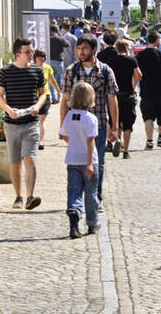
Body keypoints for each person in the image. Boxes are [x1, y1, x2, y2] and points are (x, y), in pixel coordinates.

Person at [61, 33, 119, 208]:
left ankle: (95, 198)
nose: (81, 51)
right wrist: (63, 126)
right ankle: (76, 199)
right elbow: (65, 100)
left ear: (94, 49)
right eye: (78, 48)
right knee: (75, 163)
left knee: (97, 162)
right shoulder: (72, 71)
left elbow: (112, 99)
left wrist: (115, 126)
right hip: (76, 126)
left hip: (99, 124)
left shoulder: (105, 70)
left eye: (84, 48)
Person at [0, 38, 47, 210]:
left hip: (31, 122)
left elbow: (43, 94)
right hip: (12, 123)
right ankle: (18, 196)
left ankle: (30, 197)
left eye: (32, 51)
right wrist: (8, 109)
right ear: (18, 54)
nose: (32, 55)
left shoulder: (37, 72)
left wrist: (38, 107)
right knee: (15, 162)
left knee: (30, 158)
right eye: (28, 52)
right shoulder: (6, 72)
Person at [59, 82, 100, 239]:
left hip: (72, 160)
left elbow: (63, 136)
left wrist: (74, 143)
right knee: (91, 193)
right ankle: (92, 223)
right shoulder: (90, 119)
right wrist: (89, 163)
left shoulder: (69, 116)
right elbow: (90, 142)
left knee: (74, 191)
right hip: (89, 161)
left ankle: (74, 217)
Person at [107, 40, 142, 159]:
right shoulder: (132, 60)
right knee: (128, 124)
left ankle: (117, 139)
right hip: (127, 94)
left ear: (116, 49)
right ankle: (126, 151)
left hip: (114, 96)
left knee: (114, 121)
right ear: (127, 48)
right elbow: (139, 76)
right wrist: (133, 85)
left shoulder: (111, 61)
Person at [33, 49, 60, 150]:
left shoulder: (47, 68)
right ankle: (34, 140)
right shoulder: (30, 68)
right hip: (32, 97)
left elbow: (52, 80)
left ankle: (41, 142)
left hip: (45, 96)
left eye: (43, 56)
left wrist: (58, 91)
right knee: (34, 120)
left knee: (41, 120)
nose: (42, 59)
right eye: (40, 56)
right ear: (35, 58)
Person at [49, 24, 70, 101]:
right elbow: (68, 45)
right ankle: (59, 96)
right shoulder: (60, 38)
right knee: (59, 79)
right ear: (57, 30)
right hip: (59, 60)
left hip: (50, 60)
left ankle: (54, 97)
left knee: (52, 80)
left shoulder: (48, 38)